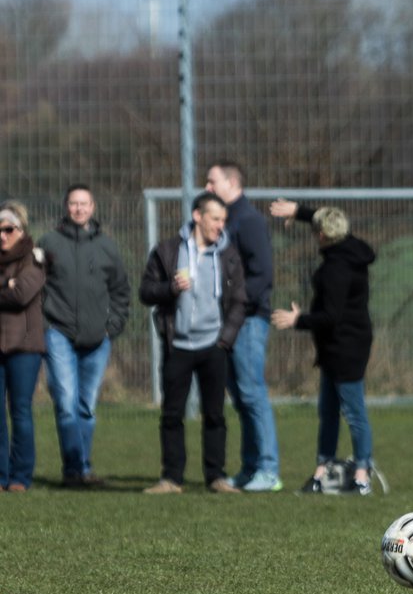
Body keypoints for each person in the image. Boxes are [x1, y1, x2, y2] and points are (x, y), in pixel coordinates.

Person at [139, 192, 246, 494]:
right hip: (178, 346)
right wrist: (170, 288)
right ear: (198, 216)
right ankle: (171, 478)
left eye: (224, 220)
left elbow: (240, 301)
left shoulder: (229, 254)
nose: (220, 225)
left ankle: (216, 476)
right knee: (172, 414)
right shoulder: (167, 250)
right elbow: (146, 292)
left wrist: (225, 340)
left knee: (214, 414)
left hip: (214, 346)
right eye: (215, 218)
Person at [268, 199, 378, 496]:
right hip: (334, 348)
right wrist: (299, 212)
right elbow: (326, 219)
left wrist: (297, 319)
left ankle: (362, 475)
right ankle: (322, 470)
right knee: (327, 410)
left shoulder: (336, 269)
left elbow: (331, 317)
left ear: (322, 236)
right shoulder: (351, 246)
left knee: (354, 412)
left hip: (347, 348)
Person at [39, 185, 131, 489]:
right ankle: (73, 469)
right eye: (74, 203)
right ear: (66, 207)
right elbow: (35, 285)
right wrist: (45, 323)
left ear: (93, 207)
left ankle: (84, 465)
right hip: (58, 332)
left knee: (86, 406)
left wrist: (112, 326)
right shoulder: (49, 242)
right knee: (66, 403)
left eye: (84, 203)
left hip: (98, 337)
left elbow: (120, 291)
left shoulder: (107, 246)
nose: (79, 209)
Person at [205, 160, 282, 492]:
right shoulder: (228, 220)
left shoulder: (248, 220)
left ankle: (268, 468)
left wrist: (237, 306)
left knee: (252, 392)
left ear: (232, 183)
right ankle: (251, 468)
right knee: (239, 395)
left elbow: (262, 273)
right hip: (231, 321)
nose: (207, 188)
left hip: (248, 320)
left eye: (212, 182)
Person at [0, 201, 47, 493]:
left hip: (25, 348)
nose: (2, 235)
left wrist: (10, 287)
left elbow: (21, 295)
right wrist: (8, 283)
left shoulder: (35, 258)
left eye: (8, 229)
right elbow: (12, 291)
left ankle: (20, 476)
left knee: (20, 411)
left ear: (21, 229)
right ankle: (1, 475)